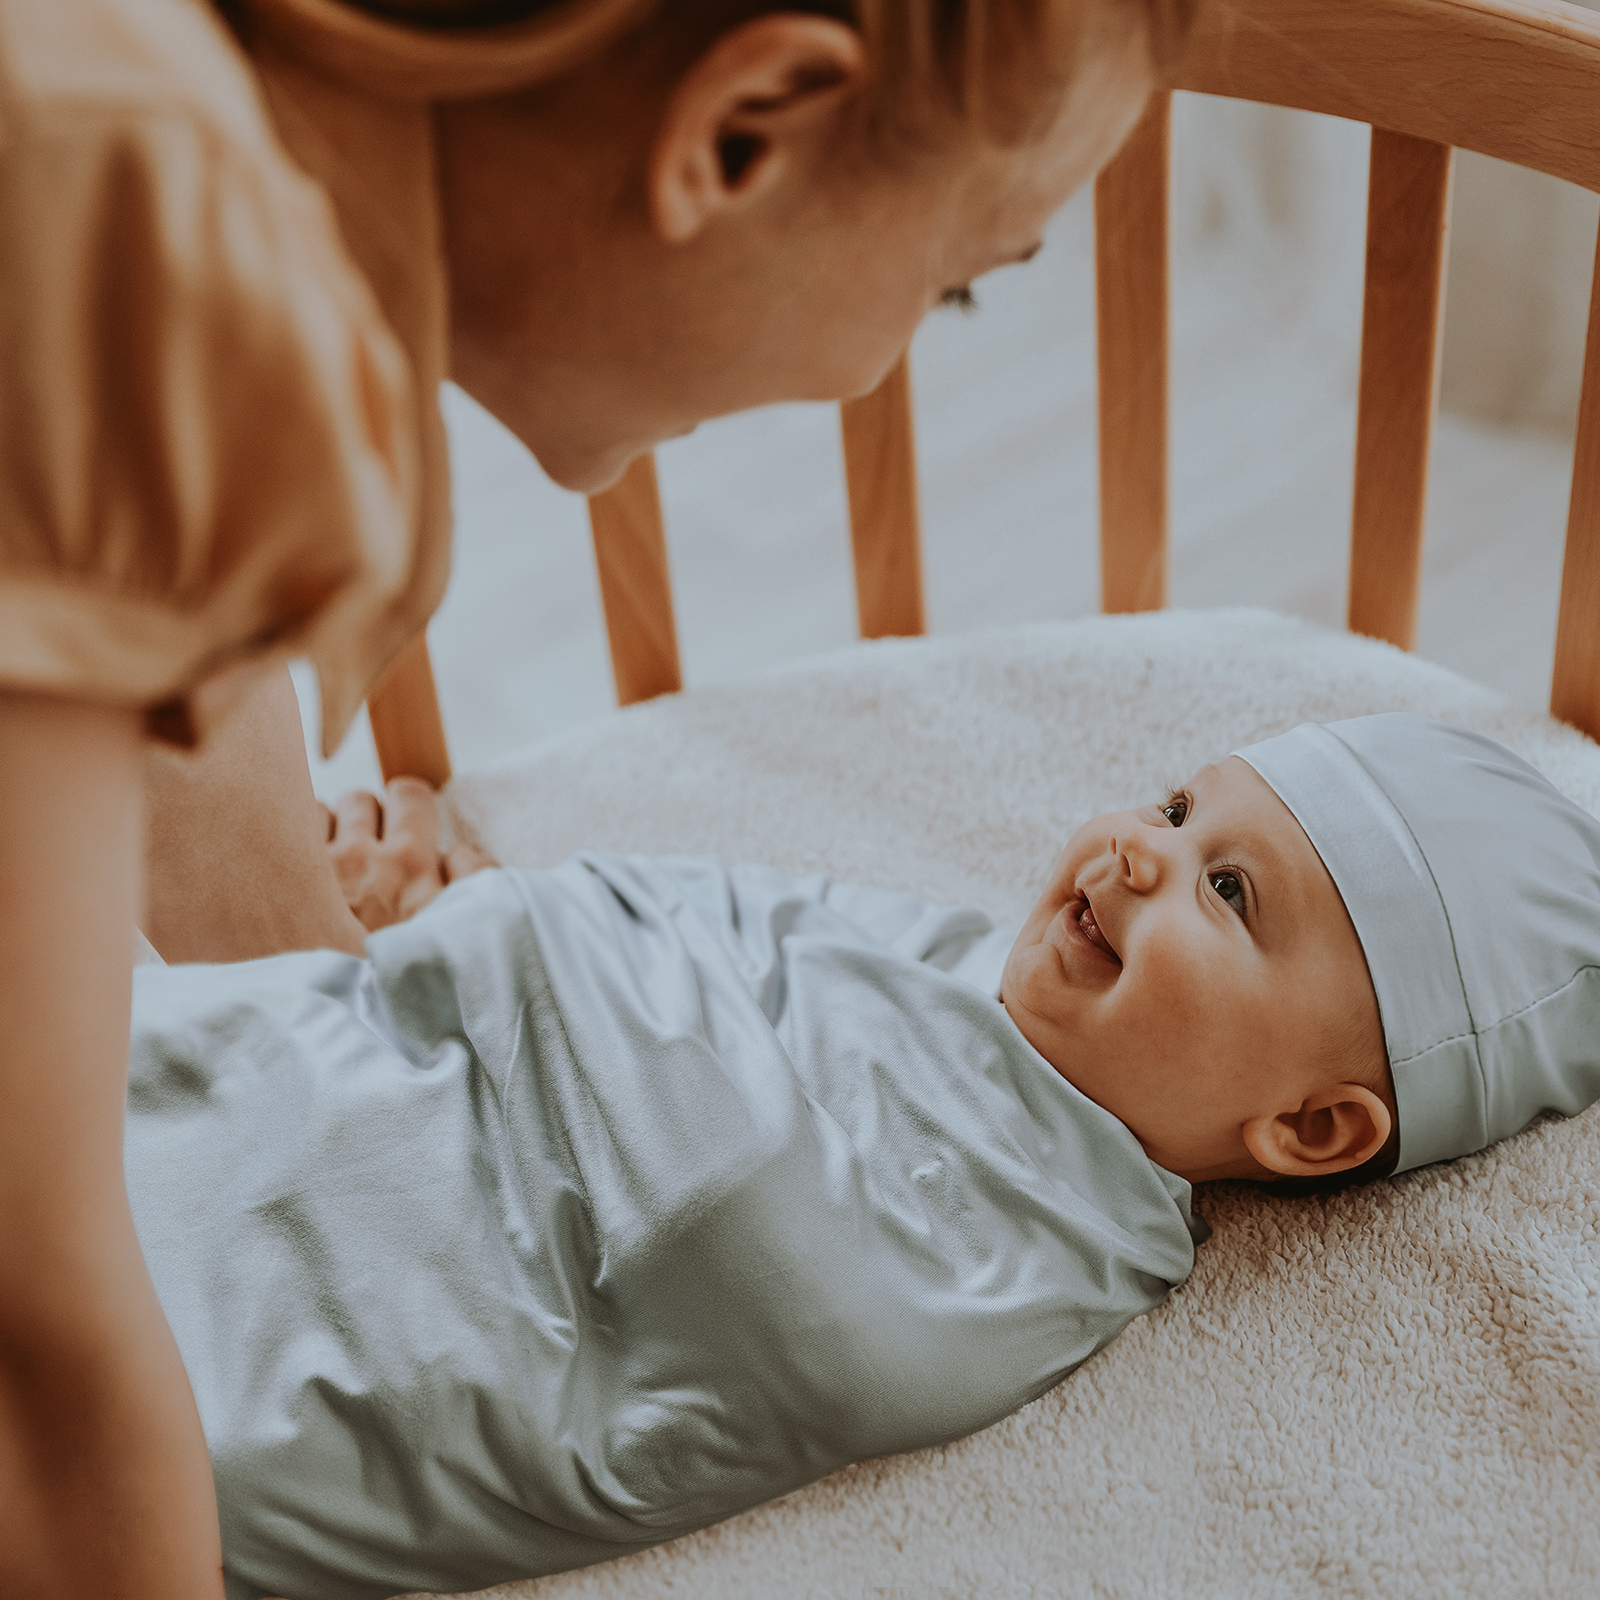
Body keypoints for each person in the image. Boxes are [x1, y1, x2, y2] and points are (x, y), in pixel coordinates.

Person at [0, 0, 1185, 1592]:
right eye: (956, 283)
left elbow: (151, 663)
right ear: (738, 130)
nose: (888, 361)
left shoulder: (182, 148)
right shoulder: (116, 219)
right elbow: (44, 1351)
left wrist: (332, 1016)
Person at [124, 712, 1600, 1599]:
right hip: (294, 1103)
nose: (1138, 851)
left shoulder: (1057, 1257)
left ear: (1312, 1129)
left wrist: (524, 938)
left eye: (1226, 891)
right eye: (1172, 804)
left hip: (211, 1387)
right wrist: (477, 919)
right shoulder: (945, 955)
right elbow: (671, 918)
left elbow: (749, 1250)